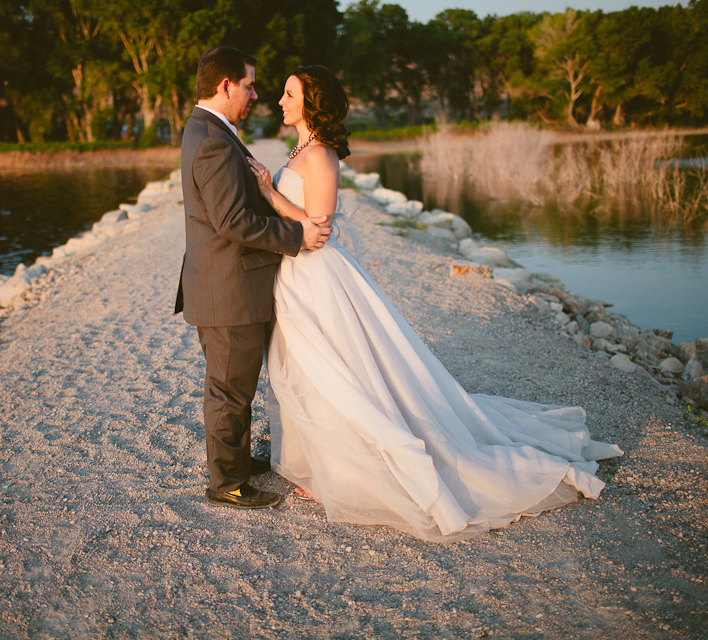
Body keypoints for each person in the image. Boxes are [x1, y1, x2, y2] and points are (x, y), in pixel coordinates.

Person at [247, 65, 623, 542]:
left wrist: (269, 195)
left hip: (315, 273)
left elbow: (317, 231)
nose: (280, 101)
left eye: (289, 94)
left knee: (336, 372)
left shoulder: (320, 155)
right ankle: (320, 462)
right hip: (295, 276)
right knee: (308, 370)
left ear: (312, 102)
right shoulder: (300, 149)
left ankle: (347, 469)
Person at [175, 47, 332, 510]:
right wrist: (297, 234)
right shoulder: (212, 140)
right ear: (225, 86)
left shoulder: (211, 131)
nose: (256, 94)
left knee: (236, 383)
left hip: (227, 282)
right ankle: (227, 483)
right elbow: (232, 221)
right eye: (249, 85)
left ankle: (239, 460)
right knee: (229, 389)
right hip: (227, 287)